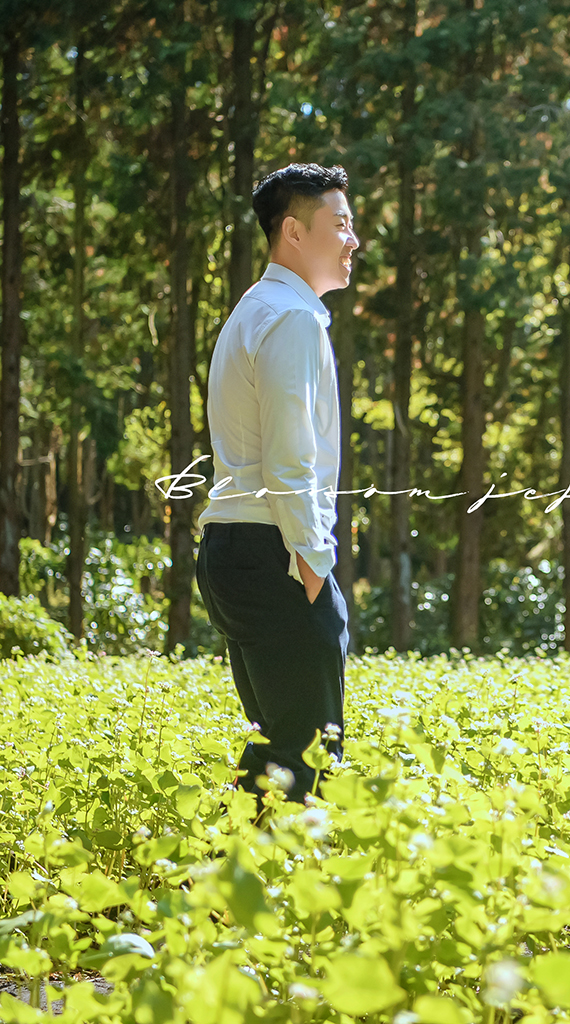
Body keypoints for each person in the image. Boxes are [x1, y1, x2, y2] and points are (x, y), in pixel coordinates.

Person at [195, 163, 359, 805]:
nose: (353, 242)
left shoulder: (256, 308)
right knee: (308, 753)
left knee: (276, 745)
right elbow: (292, 459)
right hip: (277, 553)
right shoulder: (291, 318)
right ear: (294, 231)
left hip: (239, 548)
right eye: (340, 225)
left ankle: (222, 895)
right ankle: (259, 895)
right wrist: (314, 562)